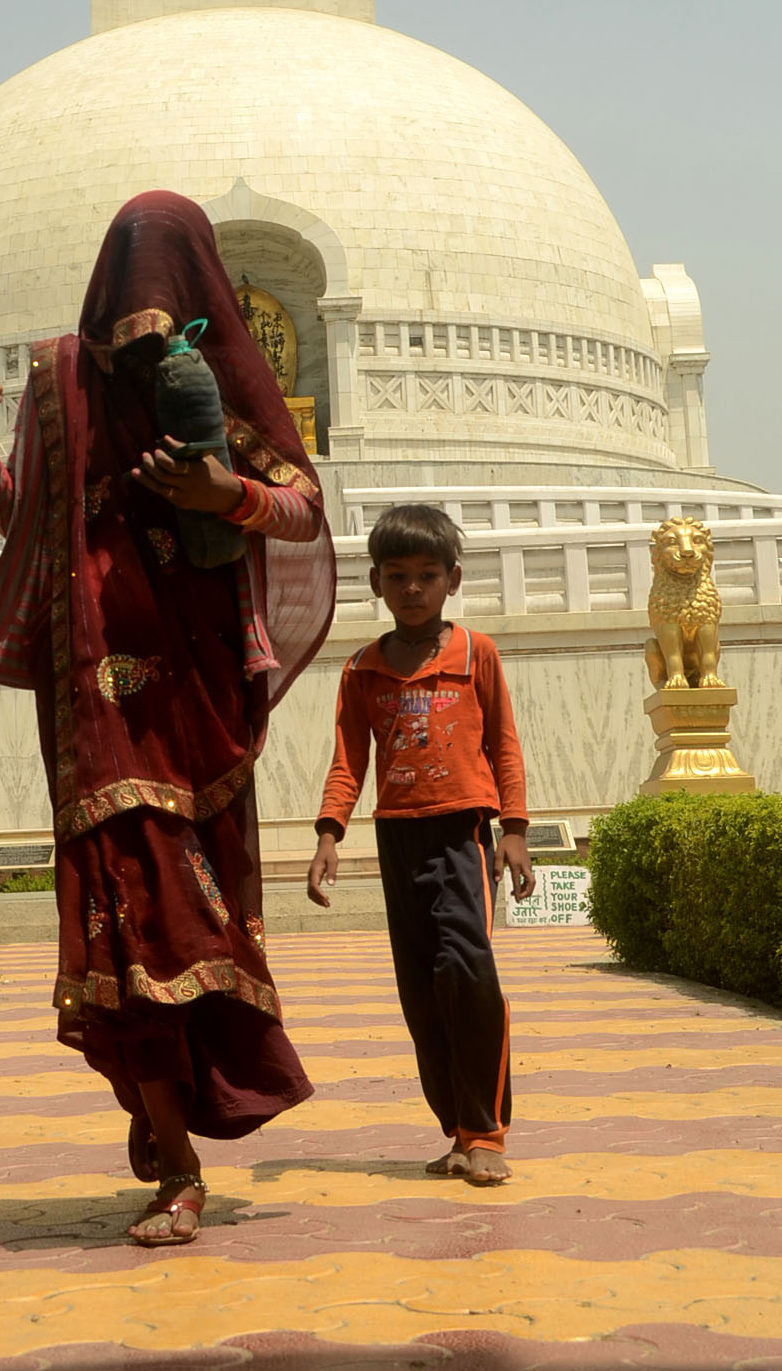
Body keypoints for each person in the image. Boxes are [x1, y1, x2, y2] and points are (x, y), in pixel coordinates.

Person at [0, 191, 336, 1245]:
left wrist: (223, 498)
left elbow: (302, 507)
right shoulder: (61, 380)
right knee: (125, 913)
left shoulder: (216, 383)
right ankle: (175, 1166)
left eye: (164, 295)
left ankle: (167, 1110)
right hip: (94, 700)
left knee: (191, 920)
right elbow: (30, 523)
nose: (144, 322)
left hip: (196, 700)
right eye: (129, 294)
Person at [307, 503, 535, 1186]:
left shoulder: (476, 655)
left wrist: (515, 831)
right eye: (398, 575)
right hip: (396, 836)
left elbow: (504, 745)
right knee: (422, 990)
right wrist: (328, 834)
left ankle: (488, 1130)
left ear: (452, 579)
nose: (413, 588)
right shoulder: (362, 669)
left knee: (467, 973)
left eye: (427, 575)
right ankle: (458, 1129)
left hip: (462, 830)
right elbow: (349, 761)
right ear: (375, 581)